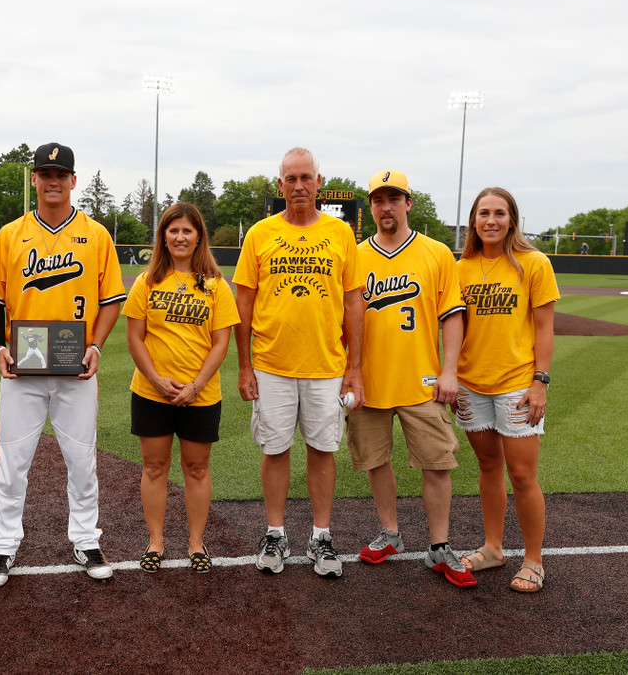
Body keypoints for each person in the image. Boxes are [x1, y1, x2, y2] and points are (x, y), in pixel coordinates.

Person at [0, 142, 126, 588]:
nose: (53, 181)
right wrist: (1, 346)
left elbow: (112, 299)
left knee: (82, 460)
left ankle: (85, 538)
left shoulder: (96, 235)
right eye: (45, 174)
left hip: (73, 365)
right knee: (12, 459)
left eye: (61, 174)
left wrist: (96, 345)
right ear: (35, 180)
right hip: (23, 367)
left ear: (73, 180)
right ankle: (3, 545)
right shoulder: (10, 234)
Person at [233, 147, 364, 578]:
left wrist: (355, 367)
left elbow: (352, 303)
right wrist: (244, 365)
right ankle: (275, 532)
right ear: (280, 185)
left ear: (319, 181)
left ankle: (321, 536)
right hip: (271, 364)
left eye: (306, 177)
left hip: (327, 365)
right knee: (275, 449)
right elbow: (244, 304)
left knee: (323, 450)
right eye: (291, 178)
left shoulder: (341, 234)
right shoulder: (260, 233)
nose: (299, 185)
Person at [348, 169, 475, 588]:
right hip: (368, 380)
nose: (386, 207)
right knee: (375, 460)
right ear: (371, 207)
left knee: (437, 463)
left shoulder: (436, 253)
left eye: (394, 198)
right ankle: (390, 532)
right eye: (378, 200)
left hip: (422, 380)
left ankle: (439, 545)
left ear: (408, 203)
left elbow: (452, 316)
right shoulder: (355, 255)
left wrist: (450, 371)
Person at [123, 203, 240, 573]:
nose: (180, 237)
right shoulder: (147, 281)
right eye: (173, 230)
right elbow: (135, 338)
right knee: (155, 467)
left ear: (199, 236)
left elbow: (222, 342)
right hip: (151, 393)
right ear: (163, 236)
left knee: (197, 469)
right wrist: (157, 380)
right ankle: (155, 541)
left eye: (187, 230)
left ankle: (196, 543)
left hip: (200, 395)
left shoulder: (216, 285)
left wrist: (195, 385)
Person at [455, 187, 558, 593]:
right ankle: (494, 548)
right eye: (484, 213)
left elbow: (546, 327)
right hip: (470, 384)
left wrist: (540, 381)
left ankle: (533, 558)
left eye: (500, 213)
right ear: (473, 221)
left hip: (517, 384)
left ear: (512, 219)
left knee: (522, 474)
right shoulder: (461, 266)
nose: (491, 220)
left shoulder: (533, 263)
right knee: (487, 467)